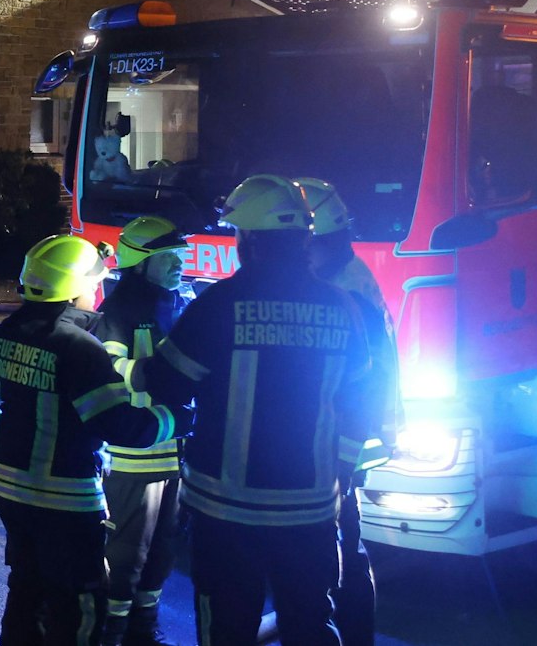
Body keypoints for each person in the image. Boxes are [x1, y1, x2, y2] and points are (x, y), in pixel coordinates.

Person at [134, 175, 382, 646]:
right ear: (304, 239)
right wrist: (342, 470)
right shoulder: (344, 307)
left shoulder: (218, 304)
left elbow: (166, 382)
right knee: (311, 625)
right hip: (310, 511)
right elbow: (362, 402)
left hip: (225, 513)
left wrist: (138, 369)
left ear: (247, 239)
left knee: (227, 629)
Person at [0, 234, 186, 645]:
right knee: (79, 604)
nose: (99, 291)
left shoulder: (4, 333)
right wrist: (175, 420)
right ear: (76, 287)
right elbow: (119, 425)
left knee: (26, 591)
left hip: (12, 494)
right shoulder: (80, 348)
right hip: (67, 502)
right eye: (95, 282)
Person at [293, 178, 402, 646]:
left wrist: (343, 459)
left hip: (344, 444)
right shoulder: (344, 280)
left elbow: (362, 386)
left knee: (342, 553)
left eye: (303, 244)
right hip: (346, 440)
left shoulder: (347, 293)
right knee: (340, 550)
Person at [92, 217, 193, 646]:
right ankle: (111, 634)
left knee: (162, 553)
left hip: (175, 454)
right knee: (126, 555)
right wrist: (160, 375)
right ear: (138, 262)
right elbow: (108, 371)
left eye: (179, 256)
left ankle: (143, 632)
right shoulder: (116, 313)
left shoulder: (180, 304)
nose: (177, 265)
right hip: (134, 459)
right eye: (166, 257)